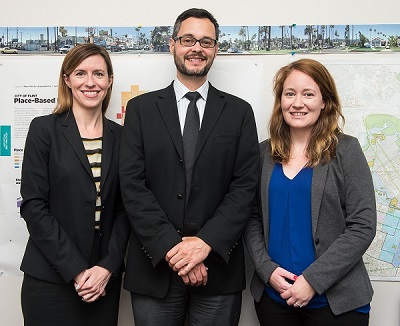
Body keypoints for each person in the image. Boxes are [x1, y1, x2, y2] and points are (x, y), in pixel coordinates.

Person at [119, 8, 259, 326]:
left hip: (218, 272)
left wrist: (205, 244)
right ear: (172, 45)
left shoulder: (239, 112)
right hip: (155, 269)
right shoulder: (140, 110)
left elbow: (245, 187)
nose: (197, 48)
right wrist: (176, 249)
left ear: (215, 50)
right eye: (188, 39)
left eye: (206, 41)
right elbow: (132, 185)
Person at [244, 58, 376, 326]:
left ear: (324, 101)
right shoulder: (262, 154)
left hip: (337, 303)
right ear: (280, 101)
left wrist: (312, 281)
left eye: (308, 94)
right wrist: (266, 270)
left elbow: (362, 225)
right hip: (274, 300)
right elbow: (250, 217)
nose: (297, 103)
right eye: (289, 94)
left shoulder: (347, 151)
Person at [20, 43, 130, 326]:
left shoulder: (123, 137)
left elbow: (126, 210)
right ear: (67, 80)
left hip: (103, 281)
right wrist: (78, 271)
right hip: (51, 277)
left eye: (98, 74)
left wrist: (106, 267)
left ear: (109, 81)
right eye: (80, 73)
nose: (90, 82)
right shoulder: (44, 130)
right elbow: (34, 207)